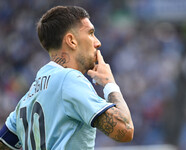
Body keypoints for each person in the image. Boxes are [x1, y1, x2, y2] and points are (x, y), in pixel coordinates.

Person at [0, 6, 134, 150]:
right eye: (91, 33)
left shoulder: (29, 96)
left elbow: (3, 142)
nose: (97, 42)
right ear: (71, 41)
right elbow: (125, 130)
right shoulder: (69, 79)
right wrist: (110, 84)